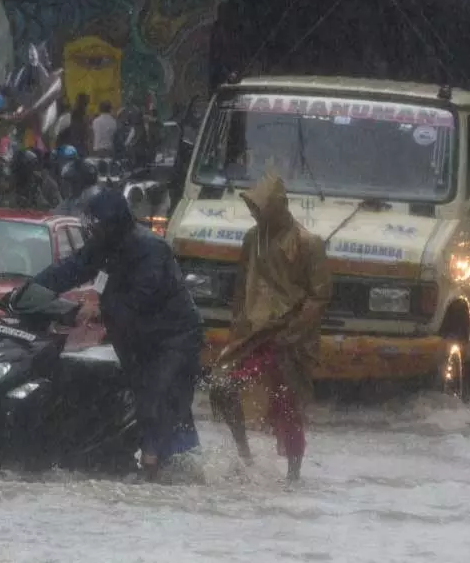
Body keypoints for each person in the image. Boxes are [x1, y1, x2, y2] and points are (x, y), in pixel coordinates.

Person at [32, 189, 202, 481]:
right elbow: (70, 269)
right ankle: (169, 461)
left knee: (157, 394)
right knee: (147, 398)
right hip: (134, 335)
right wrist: (33, 289)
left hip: (173, 336)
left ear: (113, 224)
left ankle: (153, 468)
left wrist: (97, 310)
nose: (91, 230)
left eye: (96, 224)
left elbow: (140, 298)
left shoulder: (151, 248)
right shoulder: (103, 245)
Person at [209, 173, 331, 482]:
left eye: (259, 209)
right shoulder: (253, 238)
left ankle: (293, 475)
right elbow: (241, 287)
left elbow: (319, 296)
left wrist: (293, 335)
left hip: (289, 336)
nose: (254, 215)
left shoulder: (307, 243)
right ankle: (244, 454)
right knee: (222, 384)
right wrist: (237, 330)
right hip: (253, 333)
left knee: (286, 404)